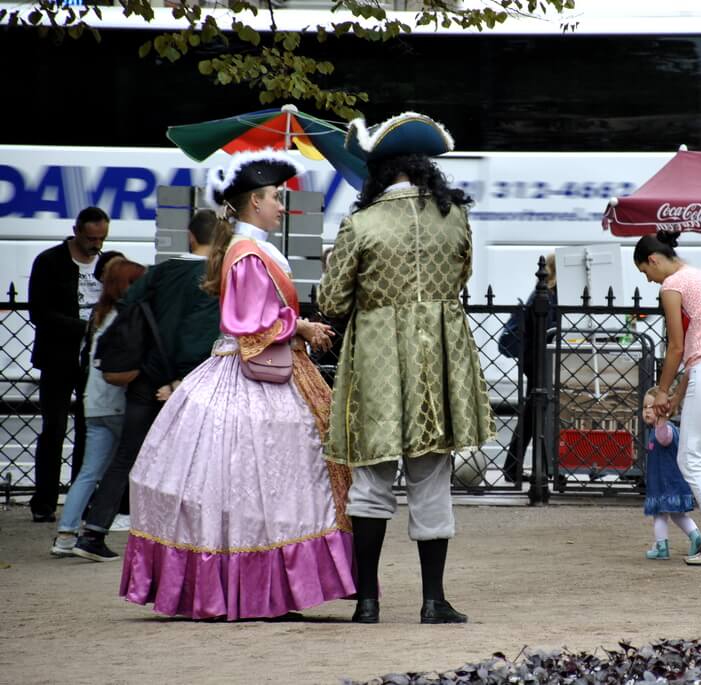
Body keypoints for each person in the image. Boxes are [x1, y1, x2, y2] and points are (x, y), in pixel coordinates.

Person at [117, 150, 357, 620]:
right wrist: (301, 328)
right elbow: (249, 322)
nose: (280, 206)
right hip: (253, 374)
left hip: (257, 369)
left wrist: (295, 324)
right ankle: (263, 587)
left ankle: (269, 587)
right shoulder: (248, 251)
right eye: (274, 198)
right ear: (252, 203)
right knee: (265, 478)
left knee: (264, 480)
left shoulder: (251, 248)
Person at [319, 112, 495, 624]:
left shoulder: (361, 224)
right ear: (423, 168)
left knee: (370, 482)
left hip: (376, 355)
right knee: (432, 479)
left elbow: (331, 300)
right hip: (439, 355)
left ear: (378, 171)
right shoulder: (455, 218)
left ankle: (369, 601)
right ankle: (433, 599)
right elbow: (463, 276)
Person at [71, 210, 222, 562]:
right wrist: (182, 378)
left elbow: (127, 306)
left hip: (145, 377)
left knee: (127, 455)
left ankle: (93, 531)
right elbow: (203, 335)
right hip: (190, 381)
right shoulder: (216, 278)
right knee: (192, 458)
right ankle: (182, 537)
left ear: (189, 236)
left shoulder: (160, 271)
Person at [633, 231, 701, 566]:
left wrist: (662, 392)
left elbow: (678, 348)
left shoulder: (673, 285)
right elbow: (699, 346)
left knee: (692, 460)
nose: (649, 280)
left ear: (653, 259)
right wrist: (677, 395)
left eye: (644, 272)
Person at [50, 259, 147, 557]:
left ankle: (66, 535)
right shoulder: (128, 316)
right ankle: (105, 527)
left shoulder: (99, 314)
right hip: (119, 402)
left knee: (89, 471)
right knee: (129, 467)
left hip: (94, 402)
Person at [27, 206, 110, 522]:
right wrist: (83, 327)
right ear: (76, 231)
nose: (96, 244)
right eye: (91, 238)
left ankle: (79, 499)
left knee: (89, 431)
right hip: (59, 356)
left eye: (101, 238)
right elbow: (40, 312)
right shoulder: (50, 262)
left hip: (93, 359)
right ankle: (44, 501)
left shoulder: (105, 262)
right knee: (54, 429)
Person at [501, 253, 558, 484]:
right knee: (535, 412)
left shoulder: (544, 293)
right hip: (540, 362)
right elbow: (550, 328)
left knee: (532, 413)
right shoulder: (547, 295)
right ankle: (534, 468)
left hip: (536, 360)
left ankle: (516, 467)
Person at [640, 387, 701, 561]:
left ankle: (662, 546)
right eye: (644, 406)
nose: (646, 410)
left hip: (665, 484)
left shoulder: (664, 430)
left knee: (660, 514)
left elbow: (664, 438)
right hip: (671, 483)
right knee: (678, 515)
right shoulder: (661, 430)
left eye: (651, 407)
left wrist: (661, 420)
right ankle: (696, 538)